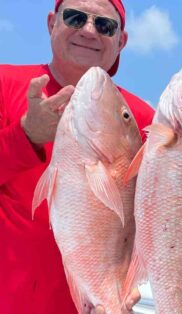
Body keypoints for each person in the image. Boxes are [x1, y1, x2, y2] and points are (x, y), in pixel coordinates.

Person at [0, 0, 154, 313]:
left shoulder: (142, 118)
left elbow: (157, 216)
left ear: (121, 41)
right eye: (74, 17)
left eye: (104, 25)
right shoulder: (5, 84)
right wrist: (25, 135)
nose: (88, 30)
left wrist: (129, 286)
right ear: (51, 23)